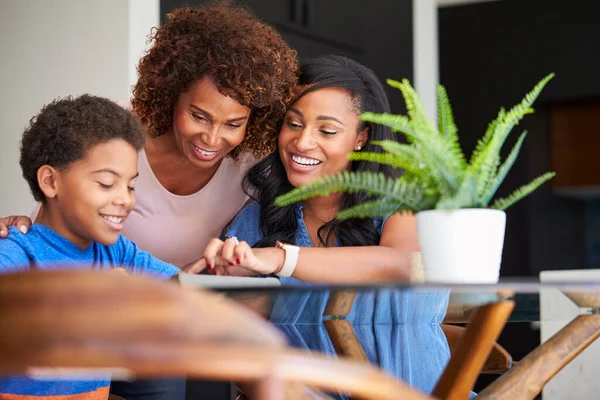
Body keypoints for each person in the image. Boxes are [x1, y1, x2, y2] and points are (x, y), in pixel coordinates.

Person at [197, 55, 452, 395]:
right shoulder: (254, 221)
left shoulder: (401, 206)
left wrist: (281, 259)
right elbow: (239, 349)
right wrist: (232, 278)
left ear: (361, 137)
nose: (303, 143)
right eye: (294, 123)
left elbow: (401, 263)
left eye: (327, 130)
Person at [0, 2, 298, 269]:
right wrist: (17, 232)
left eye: (233, 124)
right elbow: (47, 236)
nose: (211, 138)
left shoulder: (255, 162)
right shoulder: (113, 132)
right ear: (171, 98)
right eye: (198, 116)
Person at [0, 95, 183, 399]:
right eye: (106, 184)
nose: (126, 199)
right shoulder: (17, 253)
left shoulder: (116, 253)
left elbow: (183, 288)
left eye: (131, 185)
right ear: (49, 181)